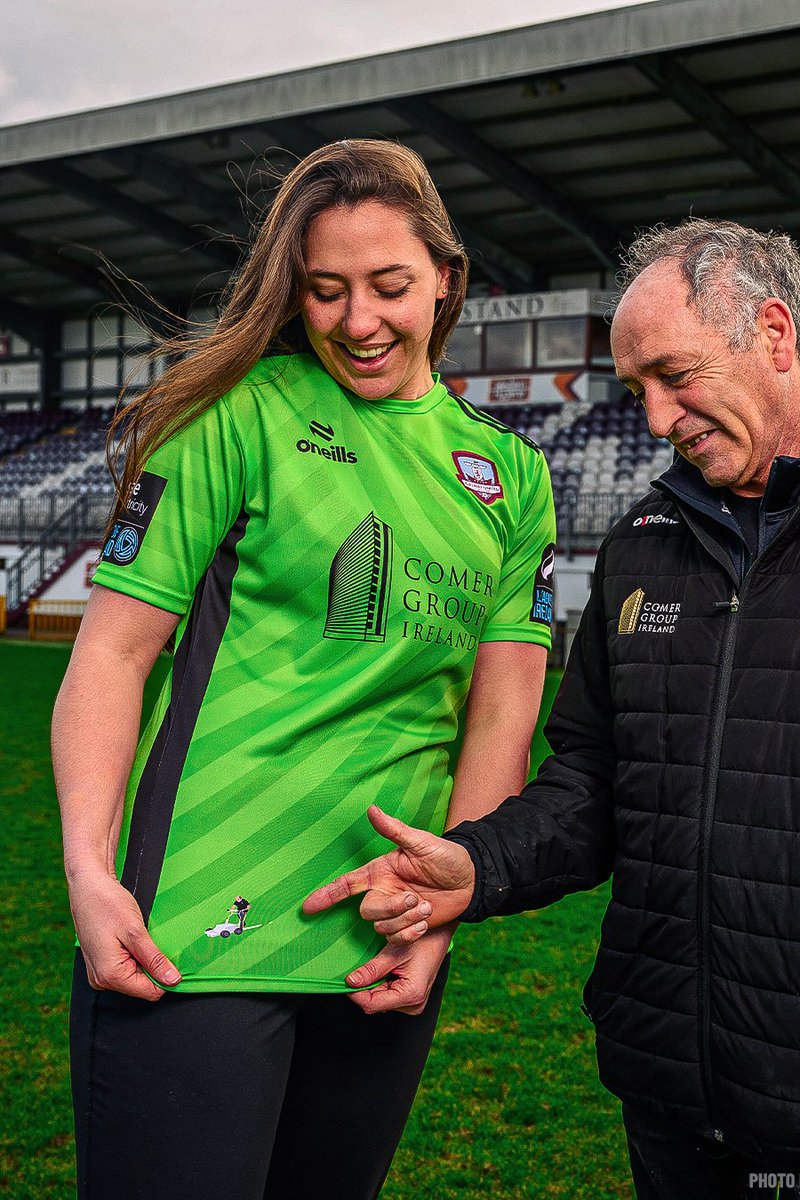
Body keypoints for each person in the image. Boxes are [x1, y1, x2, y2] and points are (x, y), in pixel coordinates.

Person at [308, 219, 800, 1200]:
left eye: (675, 376)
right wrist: (477, 863)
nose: (655, 419)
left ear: (775, 335)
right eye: (635, 390)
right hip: (666, 1101)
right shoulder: (647, 538)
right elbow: (593, 778)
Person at [51, 138, 556, 1200]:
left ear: (446, 282)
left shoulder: (510, 476)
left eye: (389, 287)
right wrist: (91, 876)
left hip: (379, 940)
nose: (358, 321)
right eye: (325, 292)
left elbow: (502, 713)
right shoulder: (236, 413)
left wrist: (442, 909)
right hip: (187, 935)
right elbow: (113, 654)